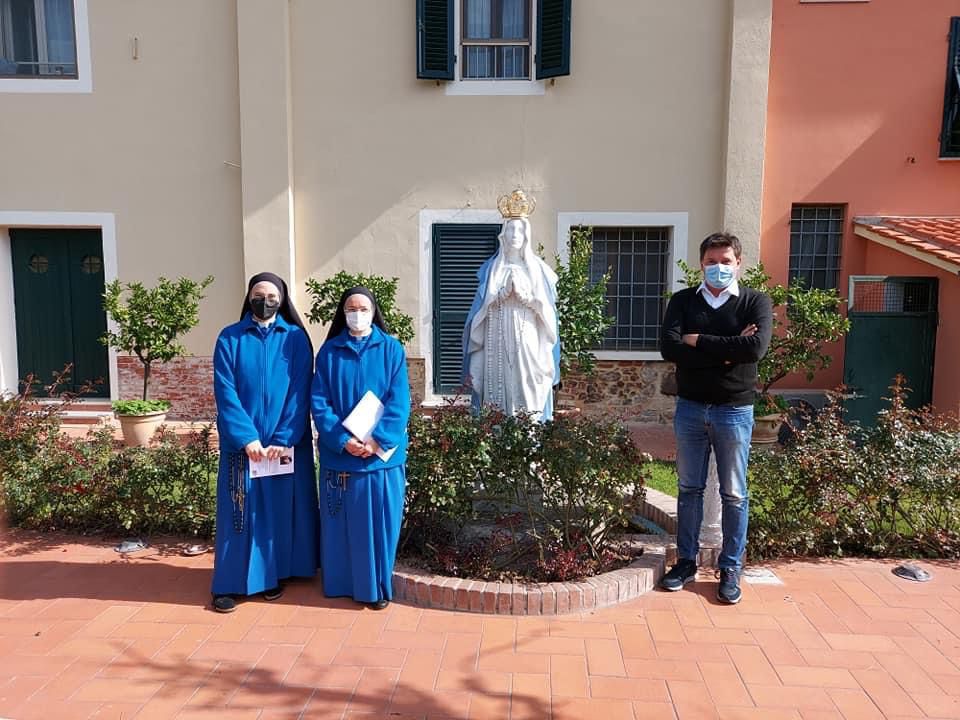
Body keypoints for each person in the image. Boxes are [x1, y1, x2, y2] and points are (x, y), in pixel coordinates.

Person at [658, 232, 772, 604]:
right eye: (711, 262)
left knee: (734, 493)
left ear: (738, 264)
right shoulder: (683, 300)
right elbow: (669, 348)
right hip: (691, 408)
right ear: (701, 264)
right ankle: (686, 562)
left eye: (725, 262)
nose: (718, 268)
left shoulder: (755, 302)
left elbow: (754, 349)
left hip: (734, 410)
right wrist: (728, 350)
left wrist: (698, 340)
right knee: (689, 488)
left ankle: (731, 567)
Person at [210, 272, 318, 613]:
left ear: (282, 300)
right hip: (245, 447)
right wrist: (247, 438)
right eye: (259, 295)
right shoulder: (230, 338)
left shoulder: (295, 339)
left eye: (272, 297)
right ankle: (229, 583)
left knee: (278, 511)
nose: (265, 302)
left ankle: (273, 575)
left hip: (283, 446)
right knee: (239, 512)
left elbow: (301, 391)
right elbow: (225, 391)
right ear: (249, 297)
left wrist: (284, 438)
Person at [311, 287, 411, 610]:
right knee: (341, 529)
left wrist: (378, 439)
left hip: (380, 458)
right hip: (342, 457)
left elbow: (400, 400)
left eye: (363, 309)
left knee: (379, 527)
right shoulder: (329, 353)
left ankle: (377, 588)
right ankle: (341, 585)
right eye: (351, 309)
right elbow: (320, 402)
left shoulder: (391, 349)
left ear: (373, 311)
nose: (357, 315)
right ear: (343, 314)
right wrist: (342, 440)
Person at [462, 214, 560, 420]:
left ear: (526, 236)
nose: (515, 234)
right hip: (496, 333)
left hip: (527, 332)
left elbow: (547, 312)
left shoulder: (537, 269)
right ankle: (497, 429)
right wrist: (501, 295)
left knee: (526, 378)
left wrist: (527, 299)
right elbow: (480, 308)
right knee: (498, 380)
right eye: (510, 229)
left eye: (520, 230)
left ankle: (529, 428)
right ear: (503, 235)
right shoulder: (492, 270)